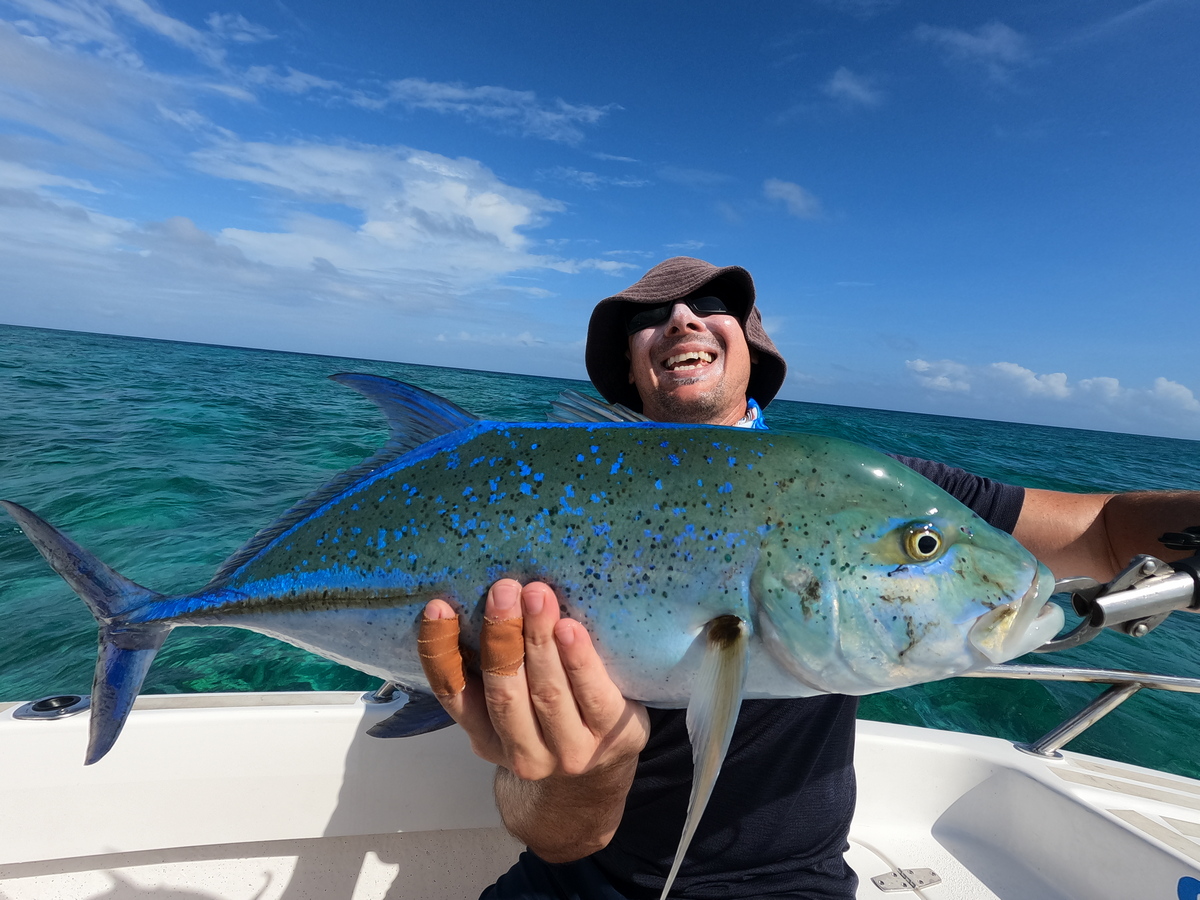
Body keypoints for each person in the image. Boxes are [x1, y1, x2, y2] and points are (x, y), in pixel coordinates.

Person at [420, 257, 1200, 899]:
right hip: (574, 883)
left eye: (712, 303)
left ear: (750, 346)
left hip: (789, 887)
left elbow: (1100, 530)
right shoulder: (547, 504)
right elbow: (560, 837)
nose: (683, 320)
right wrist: (587, 774)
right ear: (629, 367)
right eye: (646, 319)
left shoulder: (875, 490)